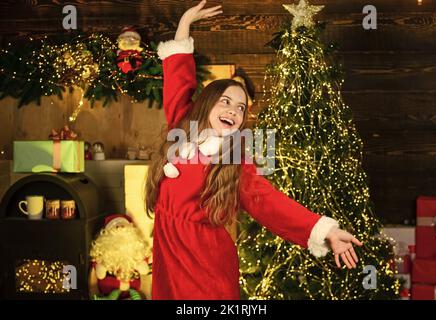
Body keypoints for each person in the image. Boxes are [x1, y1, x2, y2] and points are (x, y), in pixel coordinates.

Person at [145, 0, 363, 300]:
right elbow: (178, 78)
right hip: (170, 254)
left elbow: (267, 201)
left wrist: (322, 229)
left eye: (240, 108)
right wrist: (185, 23)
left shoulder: (234, 159)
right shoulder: (181, 125)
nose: (233, 110)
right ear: (207, 103)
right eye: (225, 101)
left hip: (206, 264)